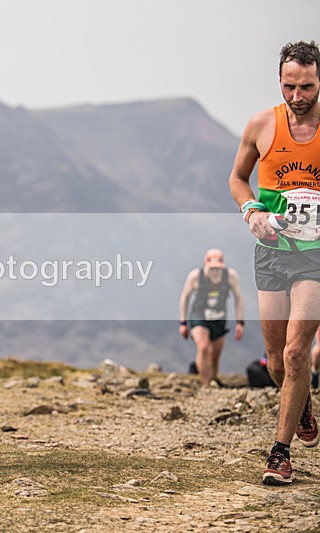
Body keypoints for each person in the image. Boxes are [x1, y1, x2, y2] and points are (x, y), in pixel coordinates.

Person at [229, 40, 320, 486]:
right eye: (289, 86)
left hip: (315, 257)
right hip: (271, 251)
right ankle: (300, 399)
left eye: (306, 87)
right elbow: (237, 179)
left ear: (318, 80)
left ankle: (280, 454)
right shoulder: (262, 124)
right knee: (277, 362)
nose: (297, 96)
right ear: (279, 82)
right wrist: (252, 212)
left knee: (297, 350)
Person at [178, 249, 245, 387]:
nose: (214, 270)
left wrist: (240, 322)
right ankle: (205, 383)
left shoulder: (230, 276)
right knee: (203, 348)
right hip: (199, 316)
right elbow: (185, 297)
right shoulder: (195, 276)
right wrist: (183, 322)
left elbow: (238, 298)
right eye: (212, 267)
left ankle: (212, 379)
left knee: (214, 356)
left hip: (219, 317)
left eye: (217, 267)